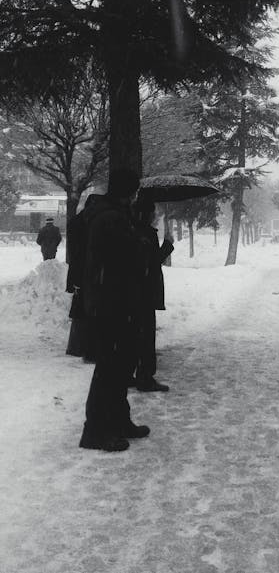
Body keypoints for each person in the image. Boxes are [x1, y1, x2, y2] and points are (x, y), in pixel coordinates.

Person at [79, 168, 149, 452]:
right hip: (113, 304)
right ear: (128, 193)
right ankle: (95, 430)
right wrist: (142, 244)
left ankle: (118, 420)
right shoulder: (111, 219)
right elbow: (124, 260)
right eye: (134, 193)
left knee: (120, 366)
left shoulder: (115, 216)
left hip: (117, 302)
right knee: (110, 368)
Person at [132, 196, 174, 392]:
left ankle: (131, 374)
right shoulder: (144, 233)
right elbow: (150, 262)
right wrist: (167, 246)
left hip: (135, 293)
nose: (155, 216)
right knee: (146, 337)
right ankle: (145, 377)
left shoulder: (132, 229)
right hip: (144, 293)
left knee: (134, 336)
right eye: (153, 213)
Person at [65, 194, 102, 361]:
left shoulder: (77, 221)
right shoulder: (92, 222)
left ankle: (77, 347)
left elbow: (74, 250)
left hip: (79, 271)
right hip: (89, 271)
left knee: (81, 309)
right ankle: (88, 348)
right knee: (89, 310)